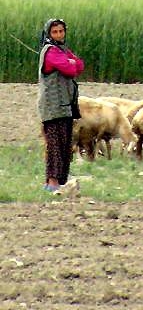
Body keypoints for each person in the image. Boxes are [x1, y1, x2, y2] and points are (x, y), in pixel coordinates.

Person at [37, 18, 84, 192]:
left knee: (65, 145)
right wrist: (70, 63)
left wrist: (72, 62)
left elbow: (79, 65)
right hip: (52, 107)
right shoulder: (50, 52)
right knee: (55, 145)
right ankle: (52, 182)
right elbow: (71, 69)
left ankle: (62, 181)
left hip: (64, 106)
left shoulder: (62, 50)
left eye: (61, 31)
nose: (59, 34)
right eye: (55, 32)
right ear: (49, 34)